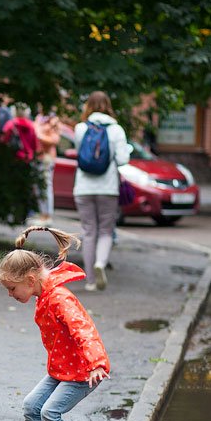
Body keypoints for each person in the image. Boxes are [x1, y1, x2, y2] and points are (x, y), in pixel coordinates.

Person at [0, 226, 110, 421]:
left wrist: (96, 363)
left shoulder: (59, 298)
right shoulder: (44, 293)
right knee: (32, 406)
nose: (10, 294)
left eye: (12, 288)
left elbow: (83, 328)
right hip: (62, 370)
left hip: (83, 371)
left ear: (30, 280)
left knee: (50, 412)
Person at [73, 91, 129, 291]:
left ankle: (90, 281)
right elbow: (123, 160)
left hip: (83, 187)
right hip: (107, 188)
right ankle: (100, 263)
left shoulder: (80, 128)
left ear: (88, 105)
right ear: (108, 105)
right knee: (105, 230)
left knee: (88, 232)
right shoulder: (116, 130)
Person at [33, 110, 61, 224]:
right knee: (38, 187)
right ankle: (41, 214)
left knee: (46, 186)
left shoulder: (53, 121)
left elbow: (55, 140)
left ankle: (47, 216)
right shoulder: (39, 118)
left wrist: (39, 135)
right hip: (37, 156)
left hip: (47, 158)